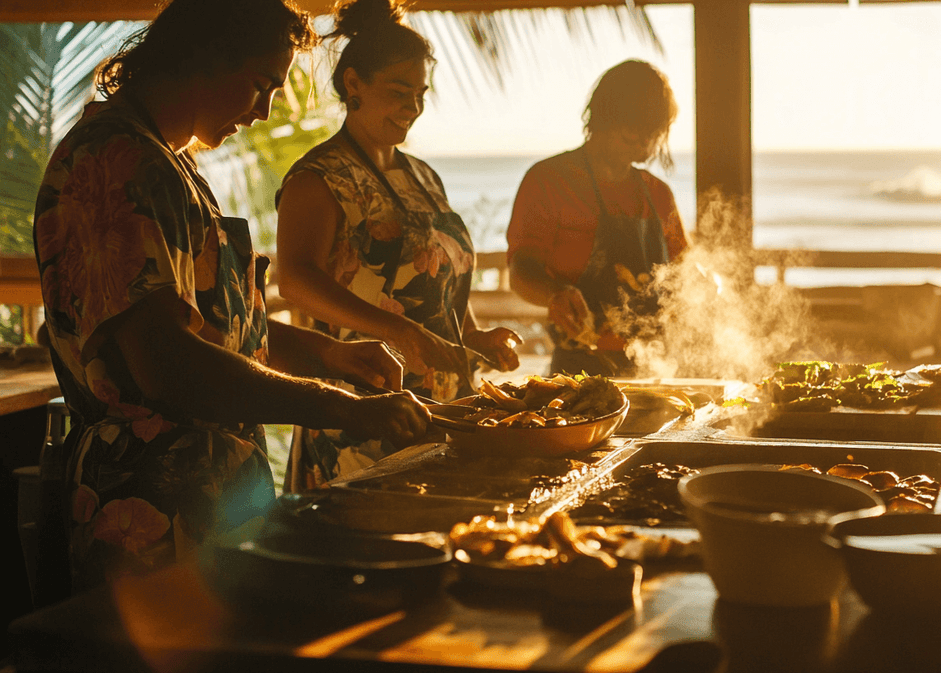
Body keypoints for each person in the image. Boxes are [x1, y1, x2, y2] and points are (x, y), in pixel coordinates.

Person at [33, 0, 429, 595]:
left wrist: (331, 355)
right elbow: (168, 363)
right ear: (204, 57)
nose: (264, 111)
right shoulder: (115, 161)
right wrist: (338, 406)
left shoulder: (167, 161)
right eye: (260, 85)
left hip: (209, 499)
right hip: (149, 510)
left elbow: (217, 329)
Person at [274, 0, 520, 490]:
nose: (412, 108)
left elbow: (438, 291)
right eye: (399, 92)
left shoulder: (422, 176)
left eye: (420, 94)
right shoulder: (318, 178)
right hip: (365, 410)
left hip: (445, 410)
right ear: (353, 85)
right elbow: (297, 281)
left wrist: (474, 337)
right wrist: (398, 332)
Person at [506, 60, 689, 377]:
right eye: (632, 130)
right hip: (579, 369)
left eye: (652, 131)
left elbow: (682, 275)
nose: (643, 141)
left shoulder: (658, 194)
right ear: (603, 117)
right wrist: (555, 294)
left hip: (655, 366)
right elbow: (521, 268)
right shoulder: (550, 181)